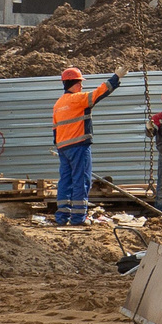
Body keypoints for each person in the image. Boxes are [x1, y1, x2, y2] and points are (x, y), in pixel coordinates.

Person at [51, 65, 121, 226]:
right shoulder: (78, 99)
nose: (82, 85)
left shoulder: (58, 104)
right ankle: (78, 218)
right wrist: (116, 77)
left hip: (63, 149)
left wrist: (61, 146)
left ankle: (62, 217)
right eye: (80, 82)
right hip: (79, 146)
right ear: (73, 83)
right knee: (81, 180)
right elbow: (99, 93)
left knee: (65, 181)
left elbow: (55, 130)